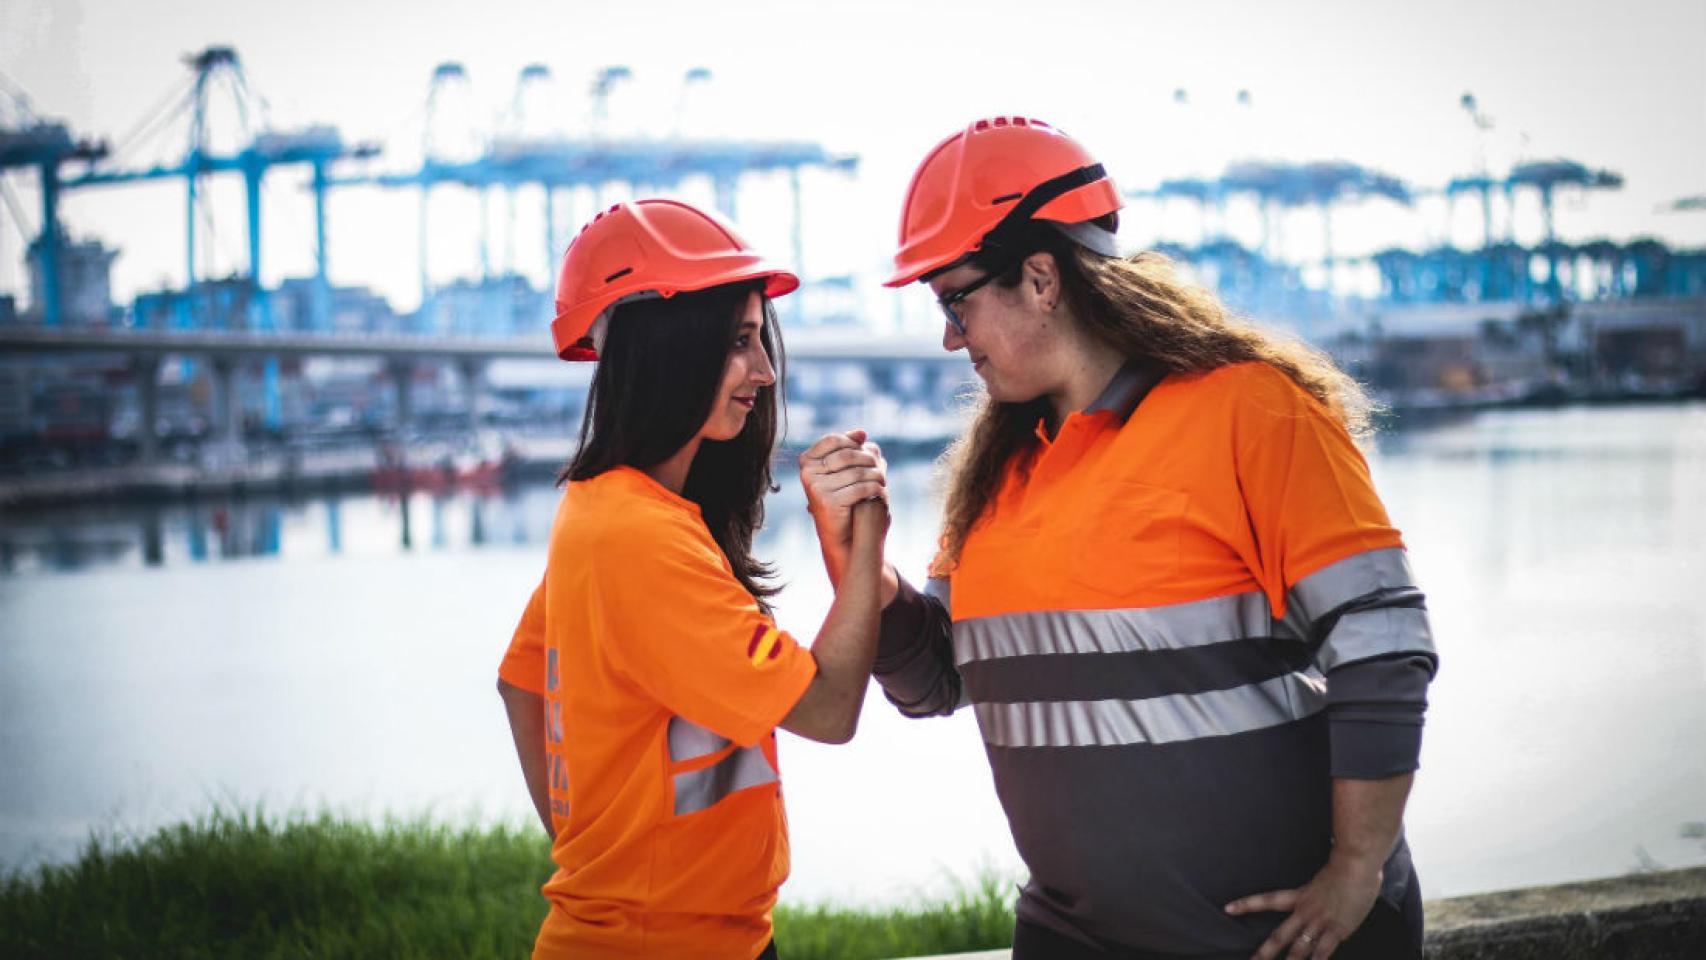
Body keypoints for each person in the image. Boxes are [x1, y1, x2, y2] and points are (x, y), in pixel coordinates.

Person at [799, 117, 1439, 960]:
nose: (950, 336)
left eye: (956, 299)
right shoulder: (998, 471)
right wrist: (867, 578)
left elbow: (1382, 644)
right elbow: (937, 686)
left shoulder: (1250, 409)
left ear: (1040, 279)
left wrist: (1358, 869)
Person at [497, 198, 889, 960]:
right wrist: (864, 537)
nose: (765, 370)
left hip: (671, 935)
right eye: (740, 341)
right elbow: (830, 708)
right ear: (672, 348)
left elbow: (521, 682)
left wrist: (599, 859)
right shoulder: (640, 536)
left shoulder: (605, 510)